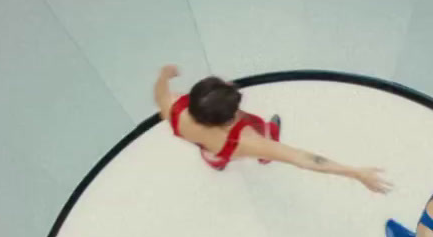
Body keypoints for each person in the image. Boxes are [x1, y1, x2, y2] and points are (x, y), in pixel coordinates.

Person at [153, 66, 390, 194]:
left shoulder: (174, 110)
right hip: (238, 147)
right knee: (267, 142)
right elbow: (303, 158)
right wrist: (354, 172)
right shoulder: (246, 141)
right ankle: (264, 158)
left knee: (211, 153)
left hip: (210, 148)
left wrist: (164, 77)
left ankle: (216, 162)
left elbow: (160, 94)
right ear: (229, 119)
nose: (230, 83)